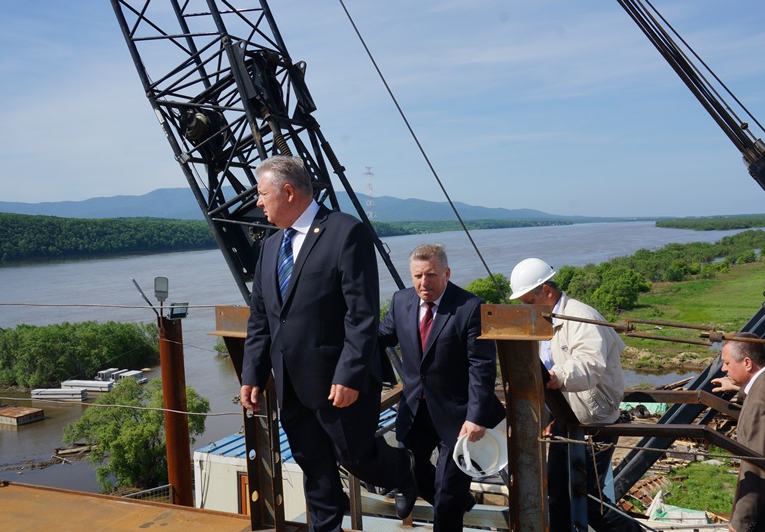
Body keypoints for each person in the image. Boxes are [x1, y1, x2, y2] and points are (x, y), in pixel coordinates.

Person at [240, 155, 416, 531]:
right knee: (313, 465)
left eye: (262, 194)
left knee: (357, 457)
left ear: (287, 192)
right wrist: (251, 374)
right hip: (291, 383)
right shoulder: (270, 248)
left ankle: (405, 469)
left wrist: (350, 375)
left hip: (338, 384)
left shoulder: (345, 232)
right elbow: (261, 320)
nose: (258, 202)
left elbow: (362, 313)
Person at [379, 243, 506, 531]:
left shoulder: (470, 307)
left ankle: (453, 505)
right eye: (418, 276)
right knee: (409, 469)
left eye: (431, 275)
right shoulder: (401, 301)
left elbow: (482, 367)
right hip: (415, 410)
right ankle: (456, 501)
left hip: (458, 416)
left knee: (448, 492)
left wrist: (476, 417)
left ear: (447, 273)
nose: (424, 283)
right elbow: (382, 335)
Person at [509, 258, 641, 532]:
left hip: (593, 420)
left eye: (529, 301)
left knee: (590, 499)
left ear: (546, 290)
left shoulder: (582, 318)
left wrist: (559, 376)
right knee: (557, 493)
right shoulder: (544, 318)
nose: (525, 308)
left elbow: (588, 364)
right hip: (565, 418)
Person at [717, 333, 765, 532]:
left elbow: (758, 469)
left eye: (727, 363)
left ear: (748, 363)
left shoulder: (762, 403)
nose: (724, 369)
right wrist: (739, 386)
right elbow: (762, 391)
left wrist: (741, 525)